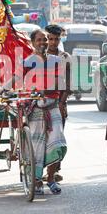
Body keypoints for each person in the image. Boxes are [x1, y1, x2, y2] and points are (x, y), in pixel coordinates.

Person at [16, 29, 67, 195]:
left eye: (44, 40)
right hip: (36, 107)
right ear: (32, 42)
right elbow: (16, 79)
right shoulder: (28, 61)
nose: (43, 43)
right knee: (37, 145)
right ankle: (36, 181)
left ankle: (51, 179)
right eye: (39, 40)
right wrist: (2, 89)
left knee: (57, 142)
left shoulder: (56, 60)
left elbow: (61, 83)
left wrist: (60, 101)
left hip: (53, 106)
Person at [43, 24, 71, 183]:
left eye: (56, 39)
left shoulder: (64, 57)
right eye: (50, 39)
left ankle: (52, 171)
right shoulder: (39, 55)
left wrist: (62, 102)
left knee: (57, 137)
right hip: (40, 100)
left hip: (59, 101)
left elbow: (68, 83)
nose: (53, 42)